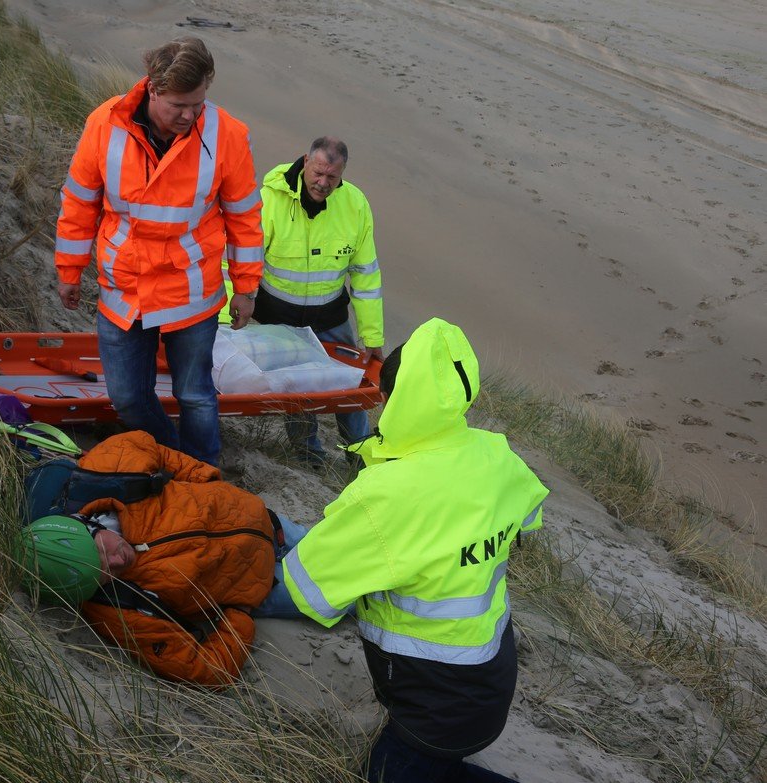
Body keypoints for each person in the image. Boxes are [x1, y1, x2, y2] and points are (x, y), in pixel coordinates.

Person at [281, 317, 549, 782]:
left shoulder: (385, 495)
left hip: (436, 707)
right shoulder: (498, 454)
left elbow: (307, 589)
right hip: (494, 676)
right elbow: (527, 521)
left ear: (392, 398)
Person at [54, 37, 264, 467]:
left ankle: (203, 475)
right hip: (123, 287)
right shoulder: (104, 125)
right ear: (152, 89)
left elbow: (244, 216)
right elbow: (79, 202)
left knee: (196, 396)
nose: (190, 115)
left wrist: (246, 287)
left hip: (192, 290)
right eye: (179, 106)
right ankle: (175, 462)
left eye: (198, 104)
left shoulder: (227, 135)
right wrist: (69, 269)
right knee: (128, 397)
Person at [16, 430, 307, 686]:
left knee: (348, 546)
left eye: (101, 550)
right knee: (345, 594)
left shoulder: (105, 474)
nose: (116, 562)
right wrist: (239, 615)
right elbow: (204, 668)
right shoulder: (118, 609)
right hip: (263, 582)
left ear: (87, 524)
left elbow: (148, 445)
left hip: (267, 519)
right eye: (103, 574)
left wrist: (207, 480)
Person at [253, 137, 385, 467]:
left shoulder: (355, 205)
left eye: (332, 178)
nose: (323, 183)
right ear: (305, 162)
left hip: (331, 319)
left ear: (342, 176)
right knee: (298, 391)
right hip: (279, 319)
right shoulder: (271, 199)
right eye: (318, 173)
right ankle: (308, 457)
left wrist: (372, 337)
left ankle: (361, 457)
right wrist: (227, 316)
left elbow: (366, 277)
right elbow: (241, 262)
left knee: (349, 388)